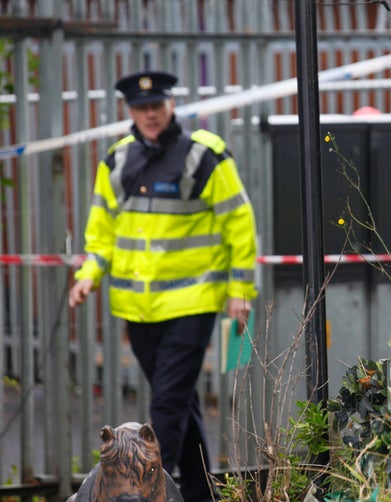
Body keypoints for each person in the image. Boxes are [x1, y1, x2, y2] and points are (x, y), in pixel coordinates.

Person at [69, 70, 258, 502]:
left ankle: (146, 491)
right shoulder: (116, 162)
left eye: (157, 106)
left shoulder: (203, 157)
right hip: (137, 310)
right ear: (130, 111)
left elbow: (239, 225)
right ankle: (197, 493)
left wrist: (240, 289)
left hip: (191, 304)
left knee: (166, 407)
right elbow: (101, 233)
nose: (150, 114)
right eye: (140, 108)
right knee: (181, 404)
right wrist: (86, 277)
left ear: (171, 105)